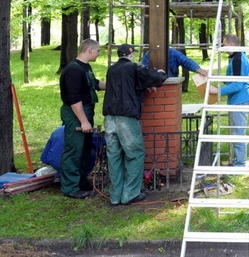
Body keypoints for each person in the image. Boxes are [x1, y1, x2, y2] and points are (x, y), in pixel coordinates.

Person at [103, 44, 168, 206]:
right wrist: (161, 73)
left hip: (109, 119)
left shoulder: (112, 70)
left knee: (114, 157)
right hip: (126, 119)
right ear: (130, 54)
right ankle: (130, 194)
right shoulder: (133, 68)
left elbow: (129, 85)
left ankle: (115, 196)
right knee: (135, 154)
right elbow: (155, 77)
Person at [58, 39, 106, 199]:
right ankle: (70, 187)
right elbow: (74, 99)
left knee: (85, 148)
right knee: (74, 150)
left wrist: (116, 82)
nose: (99, 54)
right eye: (98, 51)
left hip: (86, 112)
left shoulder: (85, 67)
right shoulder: (73, 70)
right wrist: (83, 121)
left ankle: (80, 180)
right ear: (90, 50)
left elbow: (95, 84)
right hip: (76, 114)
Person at [216, 34, 249, 167]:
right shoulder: (235, 58)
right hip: (237, 100)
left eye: (224, 45)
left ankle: (240, 163)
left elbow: (237, 84)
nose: (223, 48)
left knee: (238, 133)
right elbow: (232, 79)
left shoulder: (238, 59)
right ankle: (237, 160)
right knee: (236, 132)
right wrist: (217, 78)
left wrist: (218, 92)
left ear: (231, 45)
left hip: (240, 100)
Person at [141, 47, 208, 79]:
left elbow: (185, 61)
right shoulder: (149, 54)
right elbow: (143, 70)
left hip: (171, 82)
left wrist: (198, 69)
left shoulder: (173, 52)